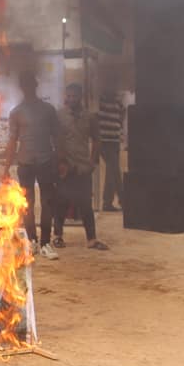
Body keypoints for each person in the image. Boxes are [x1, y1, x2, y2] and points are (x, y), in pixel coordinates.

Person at [3, 71, 61, 260]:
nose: (28, 88)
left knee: (47, 203)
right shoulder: (16, 112)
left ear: (35, 86)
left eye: (30, 84)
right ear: (22, 88)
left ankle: (45, 242)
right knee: (27, 205)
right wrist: (6, 168)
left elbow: (57, 137)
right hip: (25, 164)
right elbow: (12, 141)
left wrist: (60, 160)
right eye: (24, 85)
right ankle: (32, 242)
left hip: (46, 162)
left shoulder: (48, 110)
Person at [52, 83, 109, 250]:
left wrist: (92, 162)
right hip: (64, 167)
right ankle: (58, 236)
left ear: (80, 97)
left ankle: (91, 239)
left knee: (85, 204)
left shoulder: (90, 117)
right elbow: (56, 140)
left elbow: (97, 140)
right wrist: (60, 163)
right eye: (68, 96)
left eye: (74, 96)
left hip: (83, 168)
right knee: (60, 203)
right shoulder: (59, 116)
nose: (71, 99)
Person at [97, 73, 125, 212]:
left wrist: (120, 133)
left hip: (114, 140)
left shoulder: (118, 102)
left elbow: (121, 117)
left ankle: (107, 203)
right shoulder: (99, 101)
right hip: (103, 141)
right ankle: (124, 199)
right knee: (114, 169)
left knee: (111, 171)